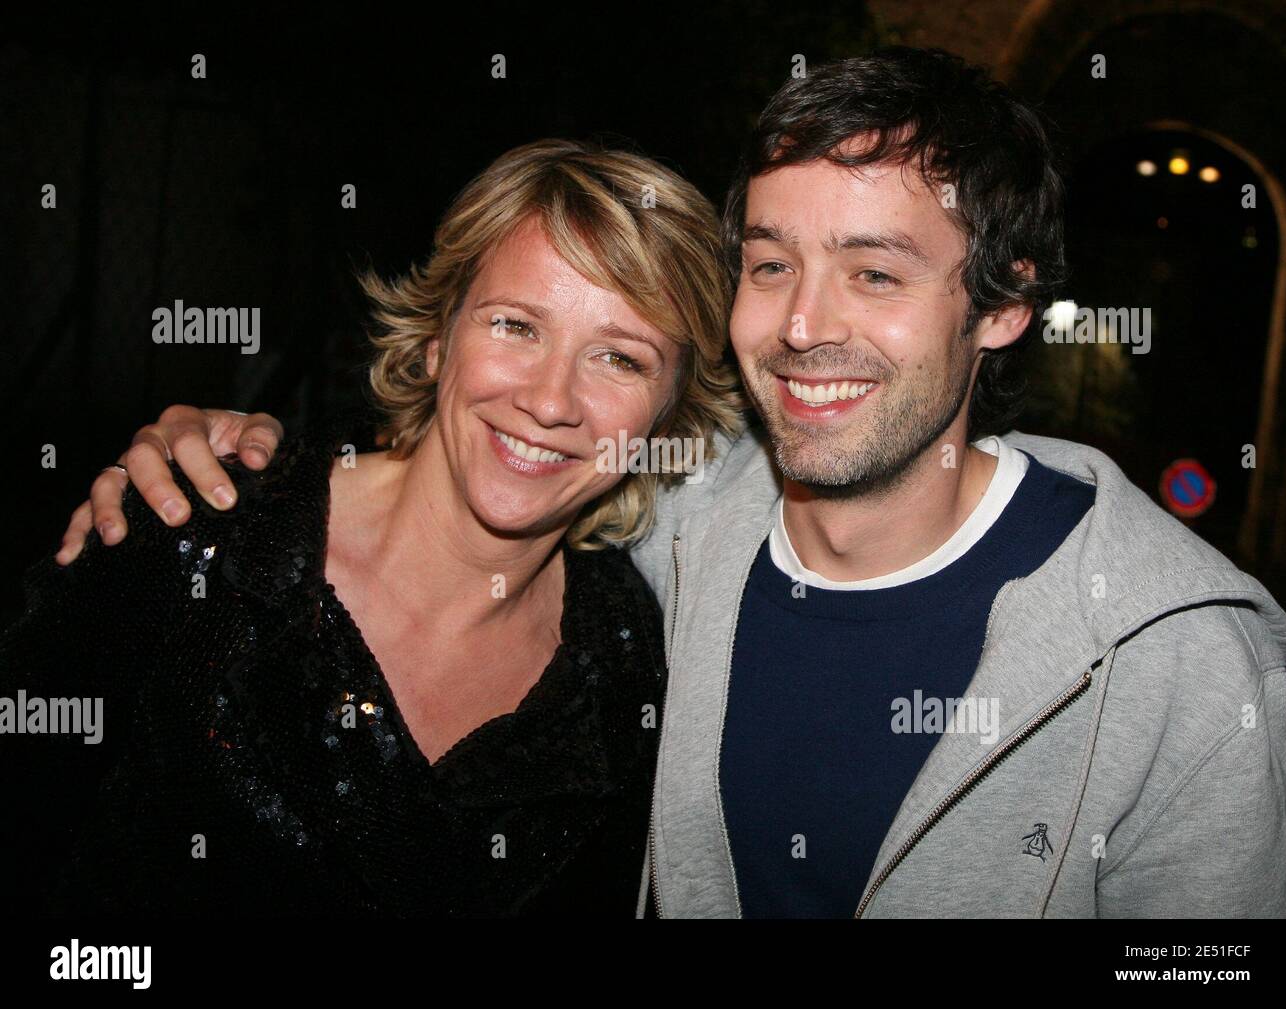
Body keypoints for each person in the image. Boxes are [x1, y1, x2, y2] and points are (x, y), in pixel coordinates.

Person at [57, 49, 1286, 918]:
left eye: (874, 274)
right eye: (769, 264)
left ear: (1004, 308)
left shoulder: (1170, 652)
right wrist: (217, 442)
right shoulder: (674, 548)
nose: (806, 323)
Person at [2, 138, 746, 915]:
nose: (552, 400)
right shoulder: (197, 536)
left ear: (669, 416)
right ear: (436, 339)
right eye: (516, 326)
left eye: (620, 359)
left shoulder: (629, 676)